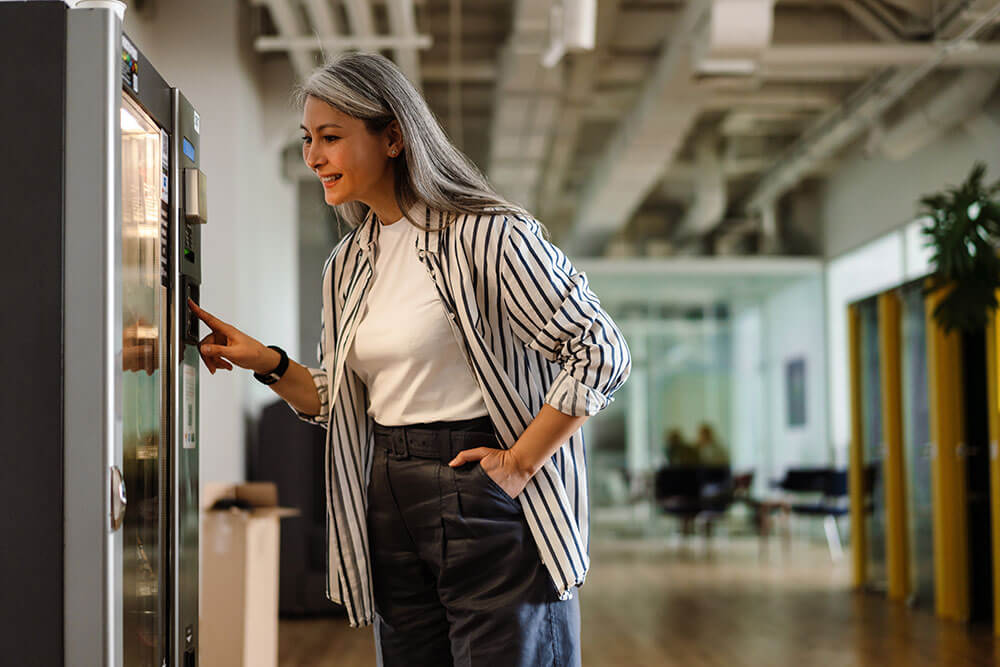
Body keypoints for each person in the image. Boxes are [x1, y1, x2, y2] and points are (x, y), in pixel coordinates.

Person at [188, 52, 631, 667]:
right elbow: (342, 403)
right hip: (387, 492)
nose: (314, 157)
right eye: (308, 140)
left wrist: (519, 464)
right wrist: (266, 361)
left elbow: (599, 349)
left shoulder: (489, 236)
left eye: (332, 138)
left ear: (393, 136)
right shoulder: (347, 265)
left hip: (484, 490)